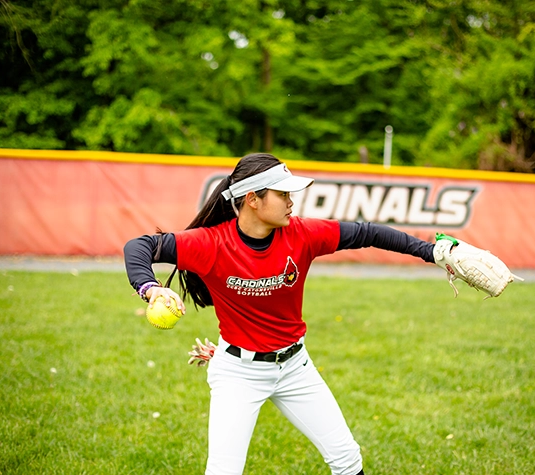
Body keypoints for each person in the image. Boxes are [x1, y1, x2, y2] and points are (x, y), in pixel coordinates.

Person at [124, 153, 437, 475]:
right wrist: (151, 288)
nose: (292, 202)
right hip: (238, 374)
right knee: (223, 470)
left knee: (346, 457)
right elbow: (139, 246)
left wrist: (433, 252)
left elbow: (369, 233)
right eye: (283, 194)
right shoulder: (211, 244)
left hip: (295, 367)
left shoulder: (303, 234)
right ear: (252, 199)